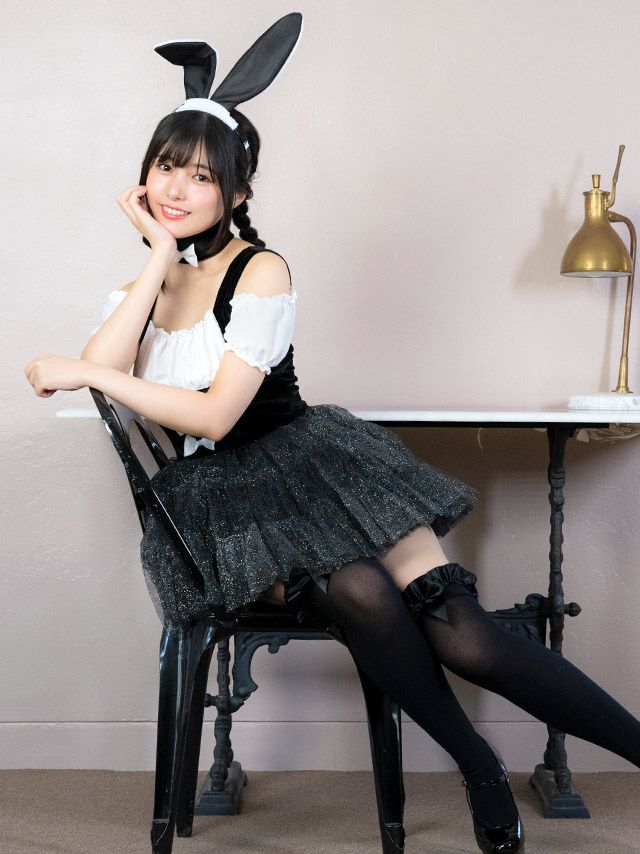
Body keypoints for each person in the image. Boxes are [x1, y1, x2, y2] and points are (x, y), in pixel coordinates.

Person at [24, 13, 640, 854]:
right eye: (166, 166)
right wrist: (158, 254)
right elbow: (107, 366)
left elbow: (210, 414)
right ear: (143, 176)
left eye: (202, 176)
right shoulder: (152, 280)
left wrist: (87, 370)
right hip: (229, 507)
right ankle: (480, 767)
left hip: (319, 468)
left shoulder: (261, 270)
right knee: (358, 591)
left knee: (461, 629)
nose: (178, 187)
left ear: (238, 193)